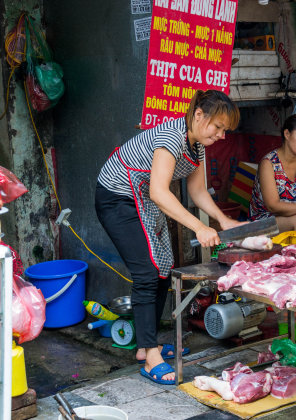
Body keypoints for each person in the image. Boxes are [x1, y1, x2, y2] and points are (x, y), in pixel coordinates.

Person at [95, 90, 242, 385]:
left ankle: (146, 347)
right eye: (218, 127)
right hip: (117, 198)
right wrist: (199, 228)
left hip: (142, 198)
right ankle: (151, 355)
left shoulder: (198, 144)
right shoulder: (171, 137)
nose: (221, 135)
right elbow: (160, 192)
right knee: (147, 272)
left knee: (163, 266)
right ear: (198, 116)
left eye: (225, 130)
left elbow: (198, 191)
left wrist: (223, 220)